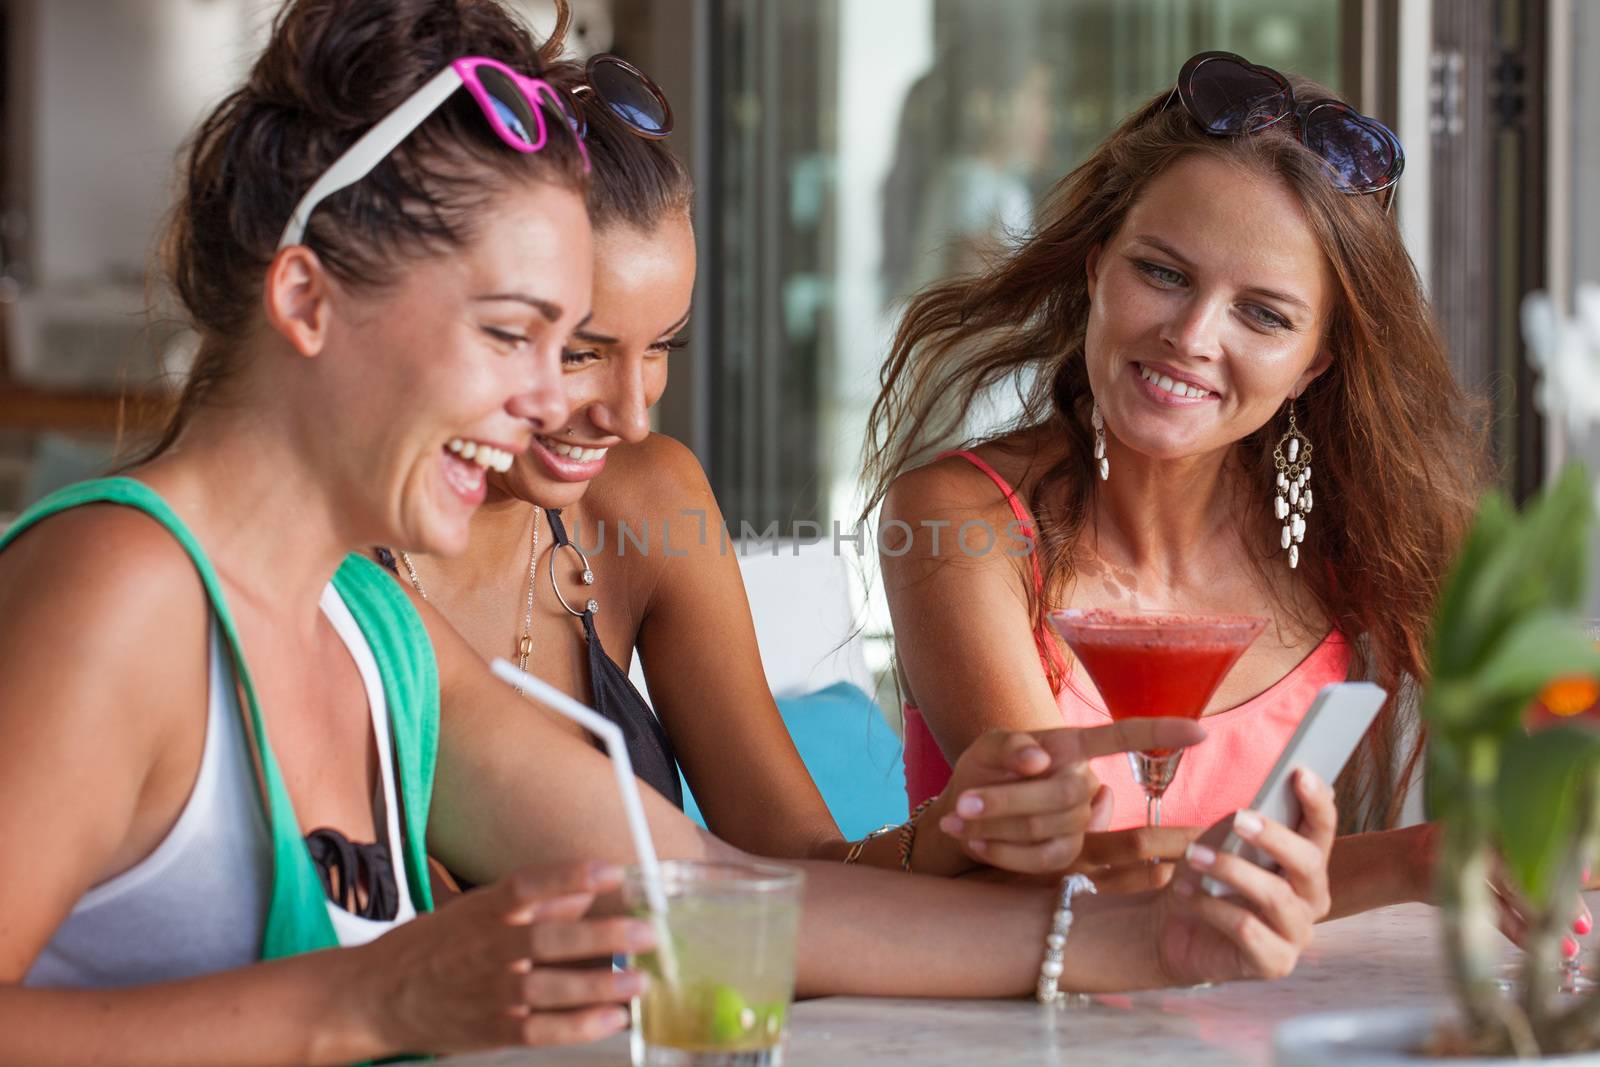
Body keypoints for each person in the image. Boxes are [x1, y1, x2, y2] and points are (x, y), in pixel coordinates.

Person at [0, 11, 1338, 1063]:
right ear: (305, 294)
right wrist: (377, 991)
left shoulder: (367, 629)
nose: (557, 407)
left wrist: (1148, 934)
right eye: (517, 333)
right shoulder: (123, 589)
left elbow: (712, 888)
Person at [394, 48, 1184, 882]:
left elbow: (798, 866)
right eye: (583, 353)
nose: (631, 413)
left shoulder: (645, 500)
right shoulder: (329, 569)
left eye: (663, 346)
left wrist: (952, 830)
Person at [862, 51, 1483, 911]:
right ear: (1095, 267)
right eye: (1162, 273)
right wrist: (1416, 863)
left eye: (1263, 315)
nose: (1192, 335)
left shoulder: (1343, 552)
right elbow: (1078, 865)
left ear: (1314, 364)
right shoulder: (960, 519)